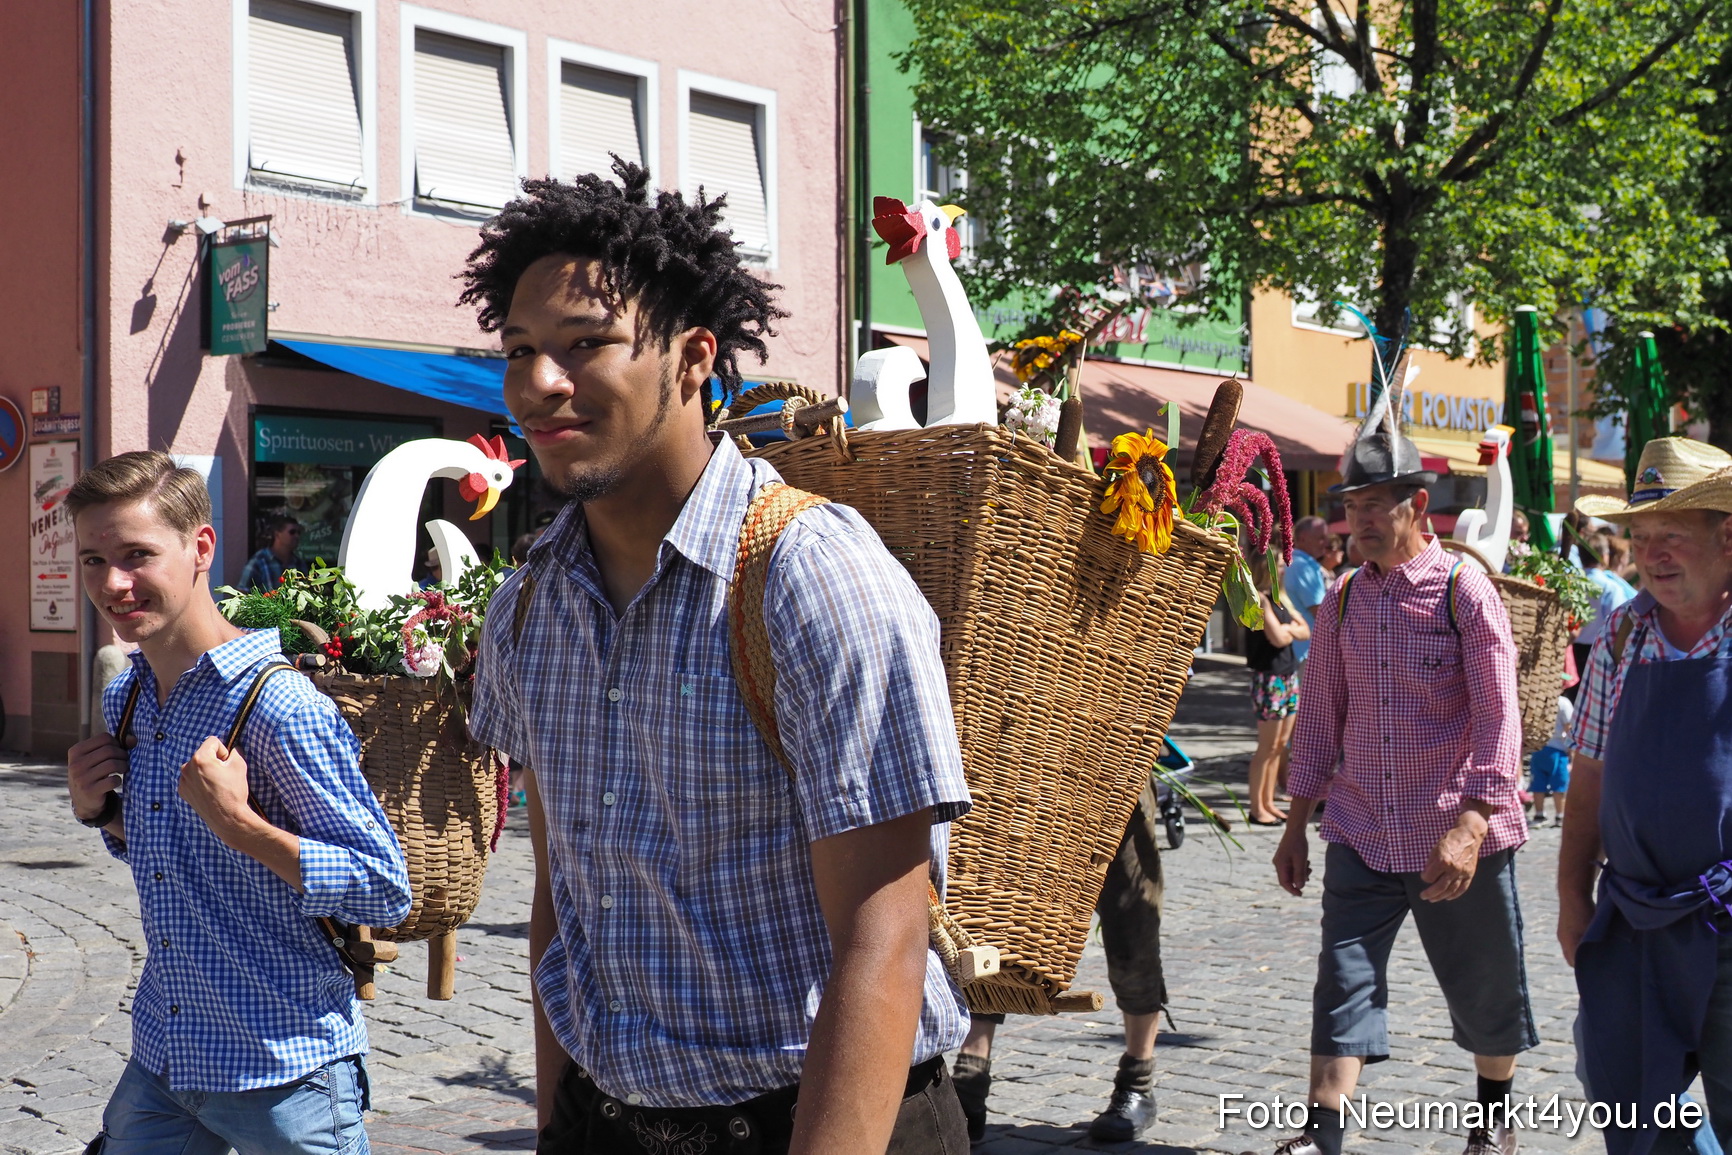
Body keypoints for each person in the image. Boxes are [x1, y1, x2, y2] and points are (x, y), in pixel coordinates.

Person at [461, 163, 973, 1154]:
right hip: (608, 1121)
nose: (540, 383)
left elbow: (885, 939)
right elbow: (562, 899)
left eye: (586, 343)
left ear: (694, 358)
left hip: (826, 1120)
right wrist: (559, 1124)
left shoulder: (809, 575)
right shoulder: (529, 606)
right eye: (520, 350)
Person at [65, 451, 410, 1153]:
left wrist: (243, 826)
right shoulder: (127, 697)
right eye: (94, 560)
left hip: (285, 1073)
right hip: (166, 1055)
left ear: (200, 548)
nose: (113, 583)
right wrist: (102, 812)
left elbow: (384, 887)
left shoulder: (279, 706)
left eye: (136, 555)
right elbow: (173, 855)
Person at [1252, 389, 1532, 1155]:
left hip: (1454, 833)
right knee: (1342, 981)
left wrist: (1473, 823)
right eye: (1353, 506)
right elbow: (1319, 720)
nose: (1361, 519)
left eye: (1376, 504)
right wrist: (1295, 824)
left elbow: (1500, 715)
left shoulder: (1463, 590)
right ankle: (1322, 1133)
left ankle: (1493, 1117)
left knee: (1484, 985)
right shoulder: (1344, 601)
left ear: (1418, 506)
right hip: (1362, 828)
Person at [1560, 437, 1732, 1155]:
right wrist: (1573, 895)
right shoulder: (1623, 632)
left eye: (1673, 535)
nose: (1652, 554)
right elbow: (1589, 775)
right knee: (1632, 1111)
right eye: (1642, 536)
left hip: (1727, 922)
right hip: (1633, 919)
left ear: (1728, 538)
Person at [952, 776, 1173, 1143]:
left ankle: (1138, 1079)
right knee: (996, 917)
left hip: (1117, 776)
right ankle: (970, 1078)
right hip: (1029, 773)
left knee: (1131, 927)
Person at [1246, 555, 1309, 825]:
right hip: (1269, 678)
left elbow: (1305, 630)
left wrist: (1289, 630)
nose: (1284, 568)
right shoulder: (1259, 599)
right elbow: (1278, 637)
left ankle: (1268, 801)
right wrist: (1289, 630)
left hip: (1288, 675)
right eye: (1279, 564)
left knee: (1280, 746)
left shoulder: (1281, 598)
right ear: (1266, 567)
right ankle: (1256, 807)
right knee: (1267, 747)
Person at [1571, 530, 1637, 683]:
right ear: (1604, 556)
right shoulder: (1610, 587)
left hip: (1572, 649)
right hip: (1596, 652)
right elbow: (1618, 625)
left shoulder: (1571, 582)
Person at [1284, 515, 1330, 665]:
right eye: (1321, 538)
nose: (1326, 543)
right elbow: (1321, 612)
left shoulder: (1293, 562)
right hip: (1307, 651)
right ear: (1303, 538)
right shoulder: (1303, 567)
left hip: (1299, 650)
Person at [1528, 696, 1573, 826]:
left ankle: (1539, 815)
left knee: (1538, 783)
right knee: (1559, 785)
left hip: (1538, 747)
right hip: (1558, 749)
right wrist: (1571, 752)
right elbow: (1569, 726)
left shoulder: (1538, 698)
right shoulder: (1563, 702)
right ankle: (1560, 816)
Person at [236, 514, 303, 591]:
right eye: (292, 532)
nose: (297, 536)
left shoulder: (299, 564)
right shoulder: (259, 561)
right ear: (277, 534)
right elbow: (242, 592)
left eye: (299, 533)